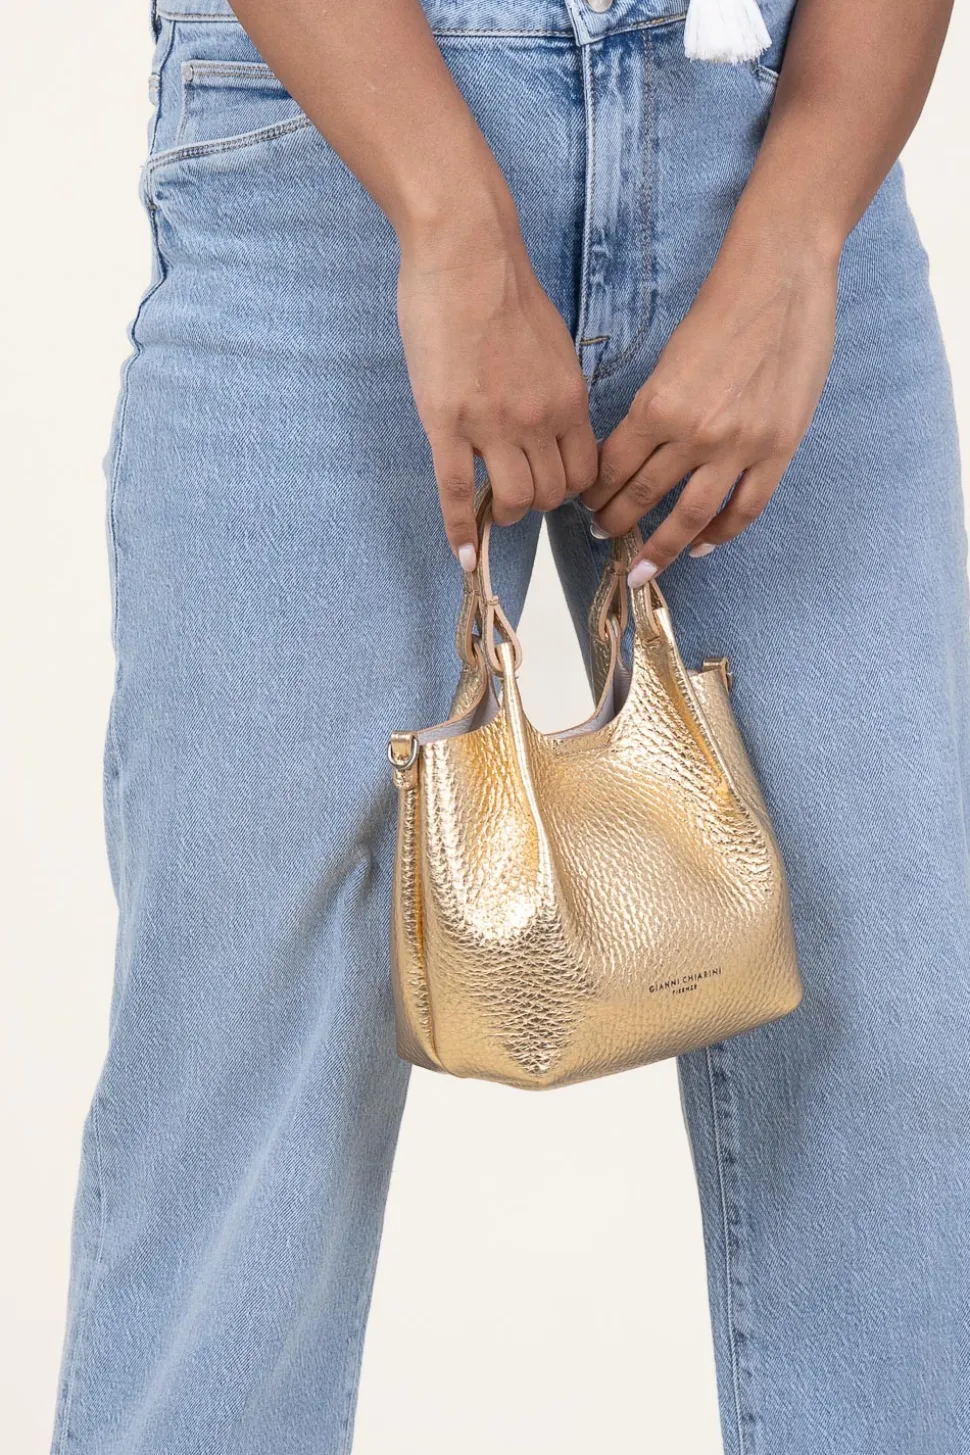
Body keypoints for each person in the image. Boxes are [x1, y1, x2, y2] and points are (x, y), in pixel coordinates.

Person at [52, 0, 967, 1451]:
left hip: (780, 120)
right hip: (330, 160)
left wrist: (800, 238)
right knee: (245, 1070)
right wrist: (450, 214)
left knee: (899, 1024)